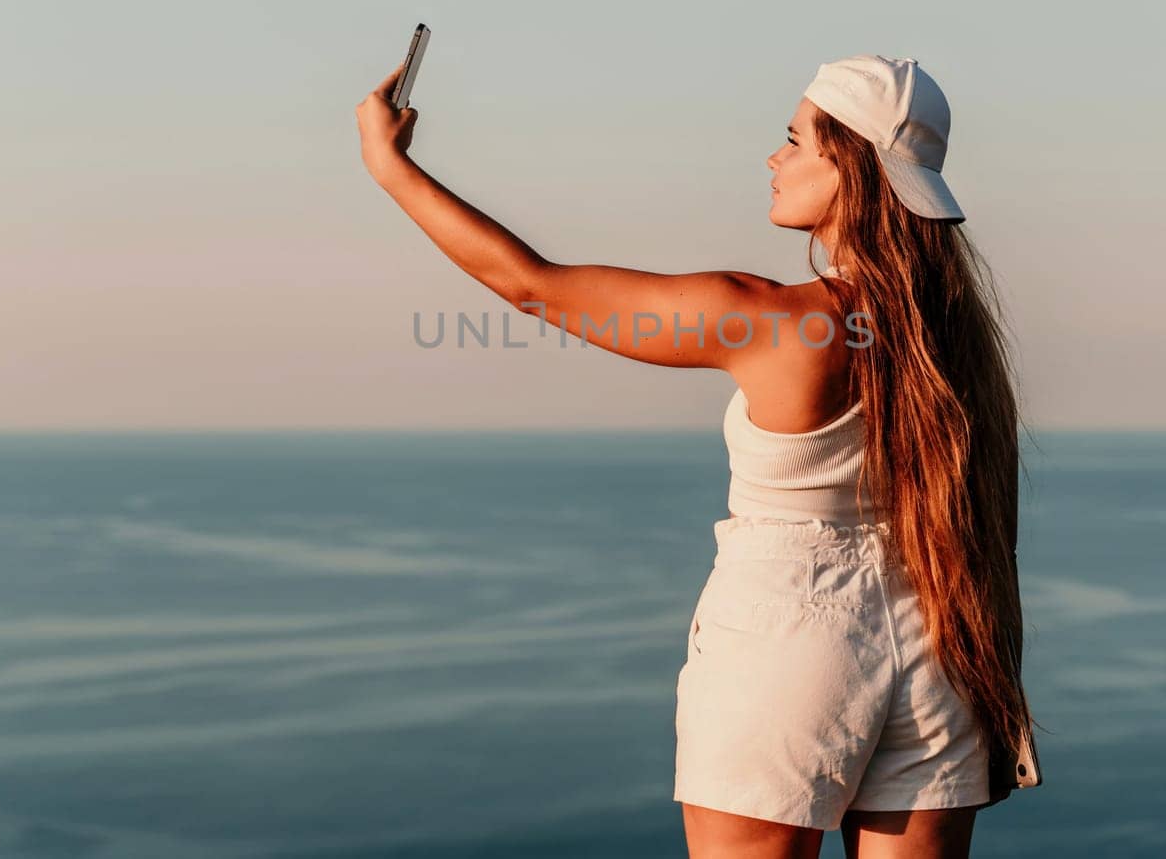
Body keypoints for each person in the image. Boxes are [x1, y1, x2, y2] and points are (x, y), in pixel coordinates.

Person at [357, 53, 1040, 859]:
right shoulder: (961, 345)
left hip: (792, 635)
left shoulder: (771, 320)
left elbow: (532, 287)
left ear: (849, 163)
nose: (774, 159)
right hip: (941, 640)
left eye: (794, 140)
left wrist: (390, 167)